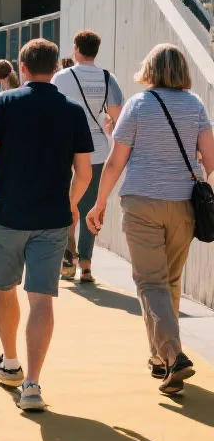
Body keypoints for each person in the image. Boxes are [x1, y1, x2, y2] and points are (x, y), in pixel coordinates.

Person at [0, 39, 92, 412]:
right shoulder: (71, 111)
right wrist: (70, 205)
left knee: (3, 287)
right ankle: (33, 384)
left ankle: (9, 362)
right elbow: (84, 172)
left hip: (8, 214)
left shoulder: (4, 103)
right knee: (42, 299)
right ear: (55, 68)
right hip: (51, 220)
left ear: (22, 69)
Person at [86, 44, 213, 395]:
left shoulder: (138, 106)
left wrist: (99, 204)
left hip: (142, 204)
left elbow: (114, 162)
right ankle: (159, 359)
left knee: (150, 283)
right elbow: (210, 158)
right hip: (184, 205)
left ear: (151, 70)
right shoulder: (196, 105)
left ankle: (174, 356)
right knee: (169, 281)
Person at [50, 30, 123, 283]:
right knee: (91, 208)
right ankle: (87, 265)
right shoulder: (107, 78)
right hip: (97, 151)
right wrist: (108, 126)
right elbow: (118, 116)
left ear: (76, 49)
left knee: (67, 205)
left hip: (66, 151)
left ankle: (67, 260)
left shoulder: (60, 77)